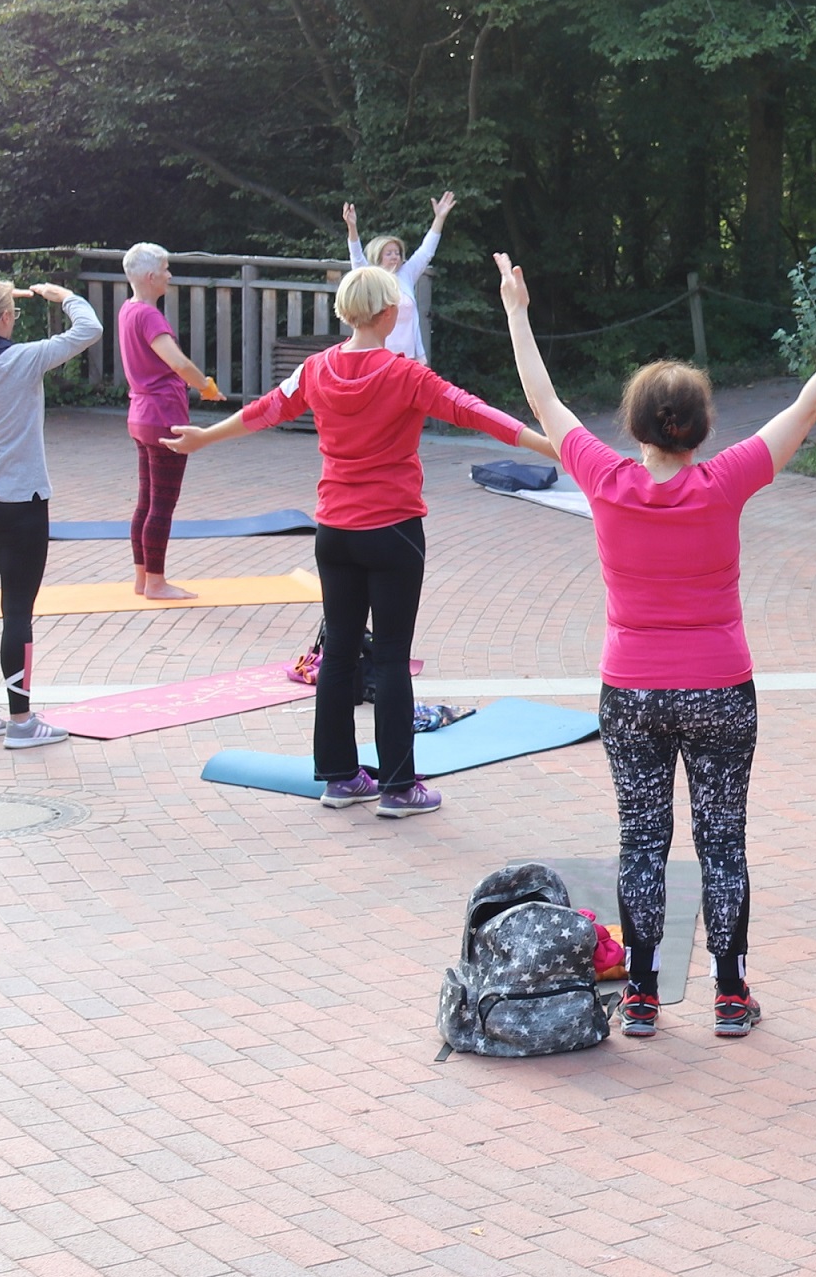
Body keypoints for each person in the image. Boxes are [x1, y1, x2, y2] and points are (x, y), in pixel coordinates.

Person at [497, 252, 816, 1041]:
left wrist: (518, 311)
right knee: (722, 841)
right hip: (720, 689)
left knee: (642, 842)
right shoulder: (724, 480)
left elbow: (544, 400)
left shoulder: (604, 477)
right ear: (700, 426)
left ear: (636, 426)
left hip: (631, 694)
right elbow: (812, 401)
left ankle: (643, 996)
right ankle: (729, 994)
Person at [165, 265, 551, 817]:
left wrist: (204, 437)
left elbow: (263, 410)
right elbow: (474, 412)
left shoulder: (315, 369)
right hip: (393, 531)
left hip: (334, 534)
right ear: (388, 314)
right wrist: (551, 445)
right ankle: (398, 787)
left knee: (339, 654)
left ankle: (341, 778)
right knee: (391, 659)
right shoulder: (407, 374)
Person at [0, 276, 102, 748]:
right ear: (7, 317)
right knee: (16, 613)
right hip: (19, 503)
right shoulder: (24, 359)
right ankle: (22, 722)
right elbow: (89, 329)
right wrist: (63, 296)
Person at [115, 244, 221, 600]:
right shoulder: (149, 316)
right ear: (150, 277)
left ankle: (143, 579)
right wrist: (206, 386)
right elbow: (177, 362)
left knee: (146, 501)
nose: (169, 275)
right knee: (161, 504)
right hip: (163, 418)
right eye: (165, 269)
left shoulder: (128, 309)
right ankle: (157, 583)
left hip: (141, 416)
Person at [343, 190, 456, 363]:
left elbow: (426, 252)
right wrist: (352, 227)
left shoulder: (406, 273)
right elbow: (356, 256)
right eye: (389, 253)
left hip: (408, 357)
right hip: (377, 357)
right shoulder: (370, 276)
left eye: (397, 252)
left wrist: (439, 218)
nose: (395, 256)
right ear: (377, 256)